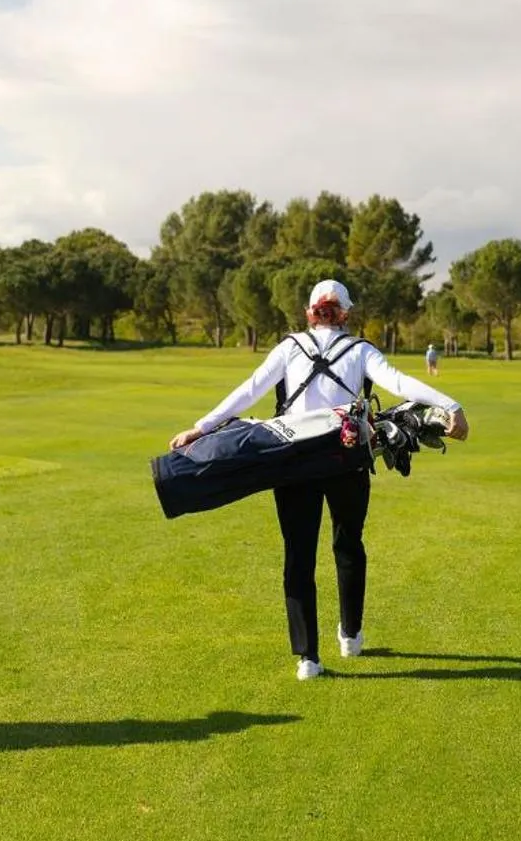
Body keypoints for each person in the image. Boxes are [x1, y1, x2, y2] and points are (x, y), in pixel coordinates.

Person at [171, 279, 468, 680]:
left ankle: (308, 658)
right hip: (346, 459)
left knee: (299, 555)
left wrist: (201, 428)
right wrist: (450, 405)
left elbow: (251, 390)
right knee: (348, 543)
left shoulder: (289, 347)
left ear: (310, 312)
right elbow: (398, 383)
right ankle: (350, 633)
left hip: (291, 460)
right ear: (344, 314)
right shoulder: (361, 350)